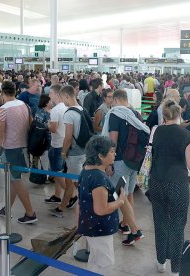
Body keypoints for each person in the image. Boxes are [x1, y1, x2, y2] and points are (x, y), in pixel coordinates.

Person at [149, 99, 190, 275]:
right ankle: (175, 269)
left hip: (156, 181)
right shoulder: (186, 136)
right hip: (177, 183)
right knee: (177, 226)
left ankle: (160, 261)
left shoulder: (158, 131)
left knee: (160, 222)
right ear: (180, 115)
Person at [102, 89, 148, 245]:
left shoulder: (116, 114)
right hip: (135, 160)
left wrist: (108, 163)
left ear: (115, 100)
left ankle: (135, 231)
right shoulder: (135, 114)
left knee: (120, 196)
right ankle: (126, 225)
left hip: (120, 160)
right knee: (128, 195)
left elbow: (112, 140)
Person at [77, 136, 124, 274]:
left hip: (90, 226)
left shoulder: (86, 170)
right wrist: (120, 201)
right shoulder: (98, 178)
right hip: (99, 229)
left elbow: (81, 202)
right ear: (100, 156)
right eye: (111, 152)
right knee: (105, 263)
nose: (114, 154)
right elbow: (101, 209)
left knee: (95, 260)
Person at [0, 81, 38, 224]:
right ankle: (7, 208)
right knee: (13, 180)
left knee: (16, 181)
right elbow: (30, 124)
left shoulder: (3, 109)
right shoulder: (23, 105)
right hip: (23, 147)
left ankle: (30, 213)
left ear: (2, 93)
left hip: (11, 149)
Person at [45, 84, 77, 214]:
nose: (49, 96)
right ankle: (58, 195)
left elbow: (53, 128)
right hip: (66, 144)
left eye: (51, 93)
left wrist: (48, 124)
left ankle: (72, 195)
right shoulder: (68, 107)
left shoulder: (55, 110)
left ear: (58, 95)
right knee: (61, 172)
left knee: (56, 174)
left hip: (57, 144)